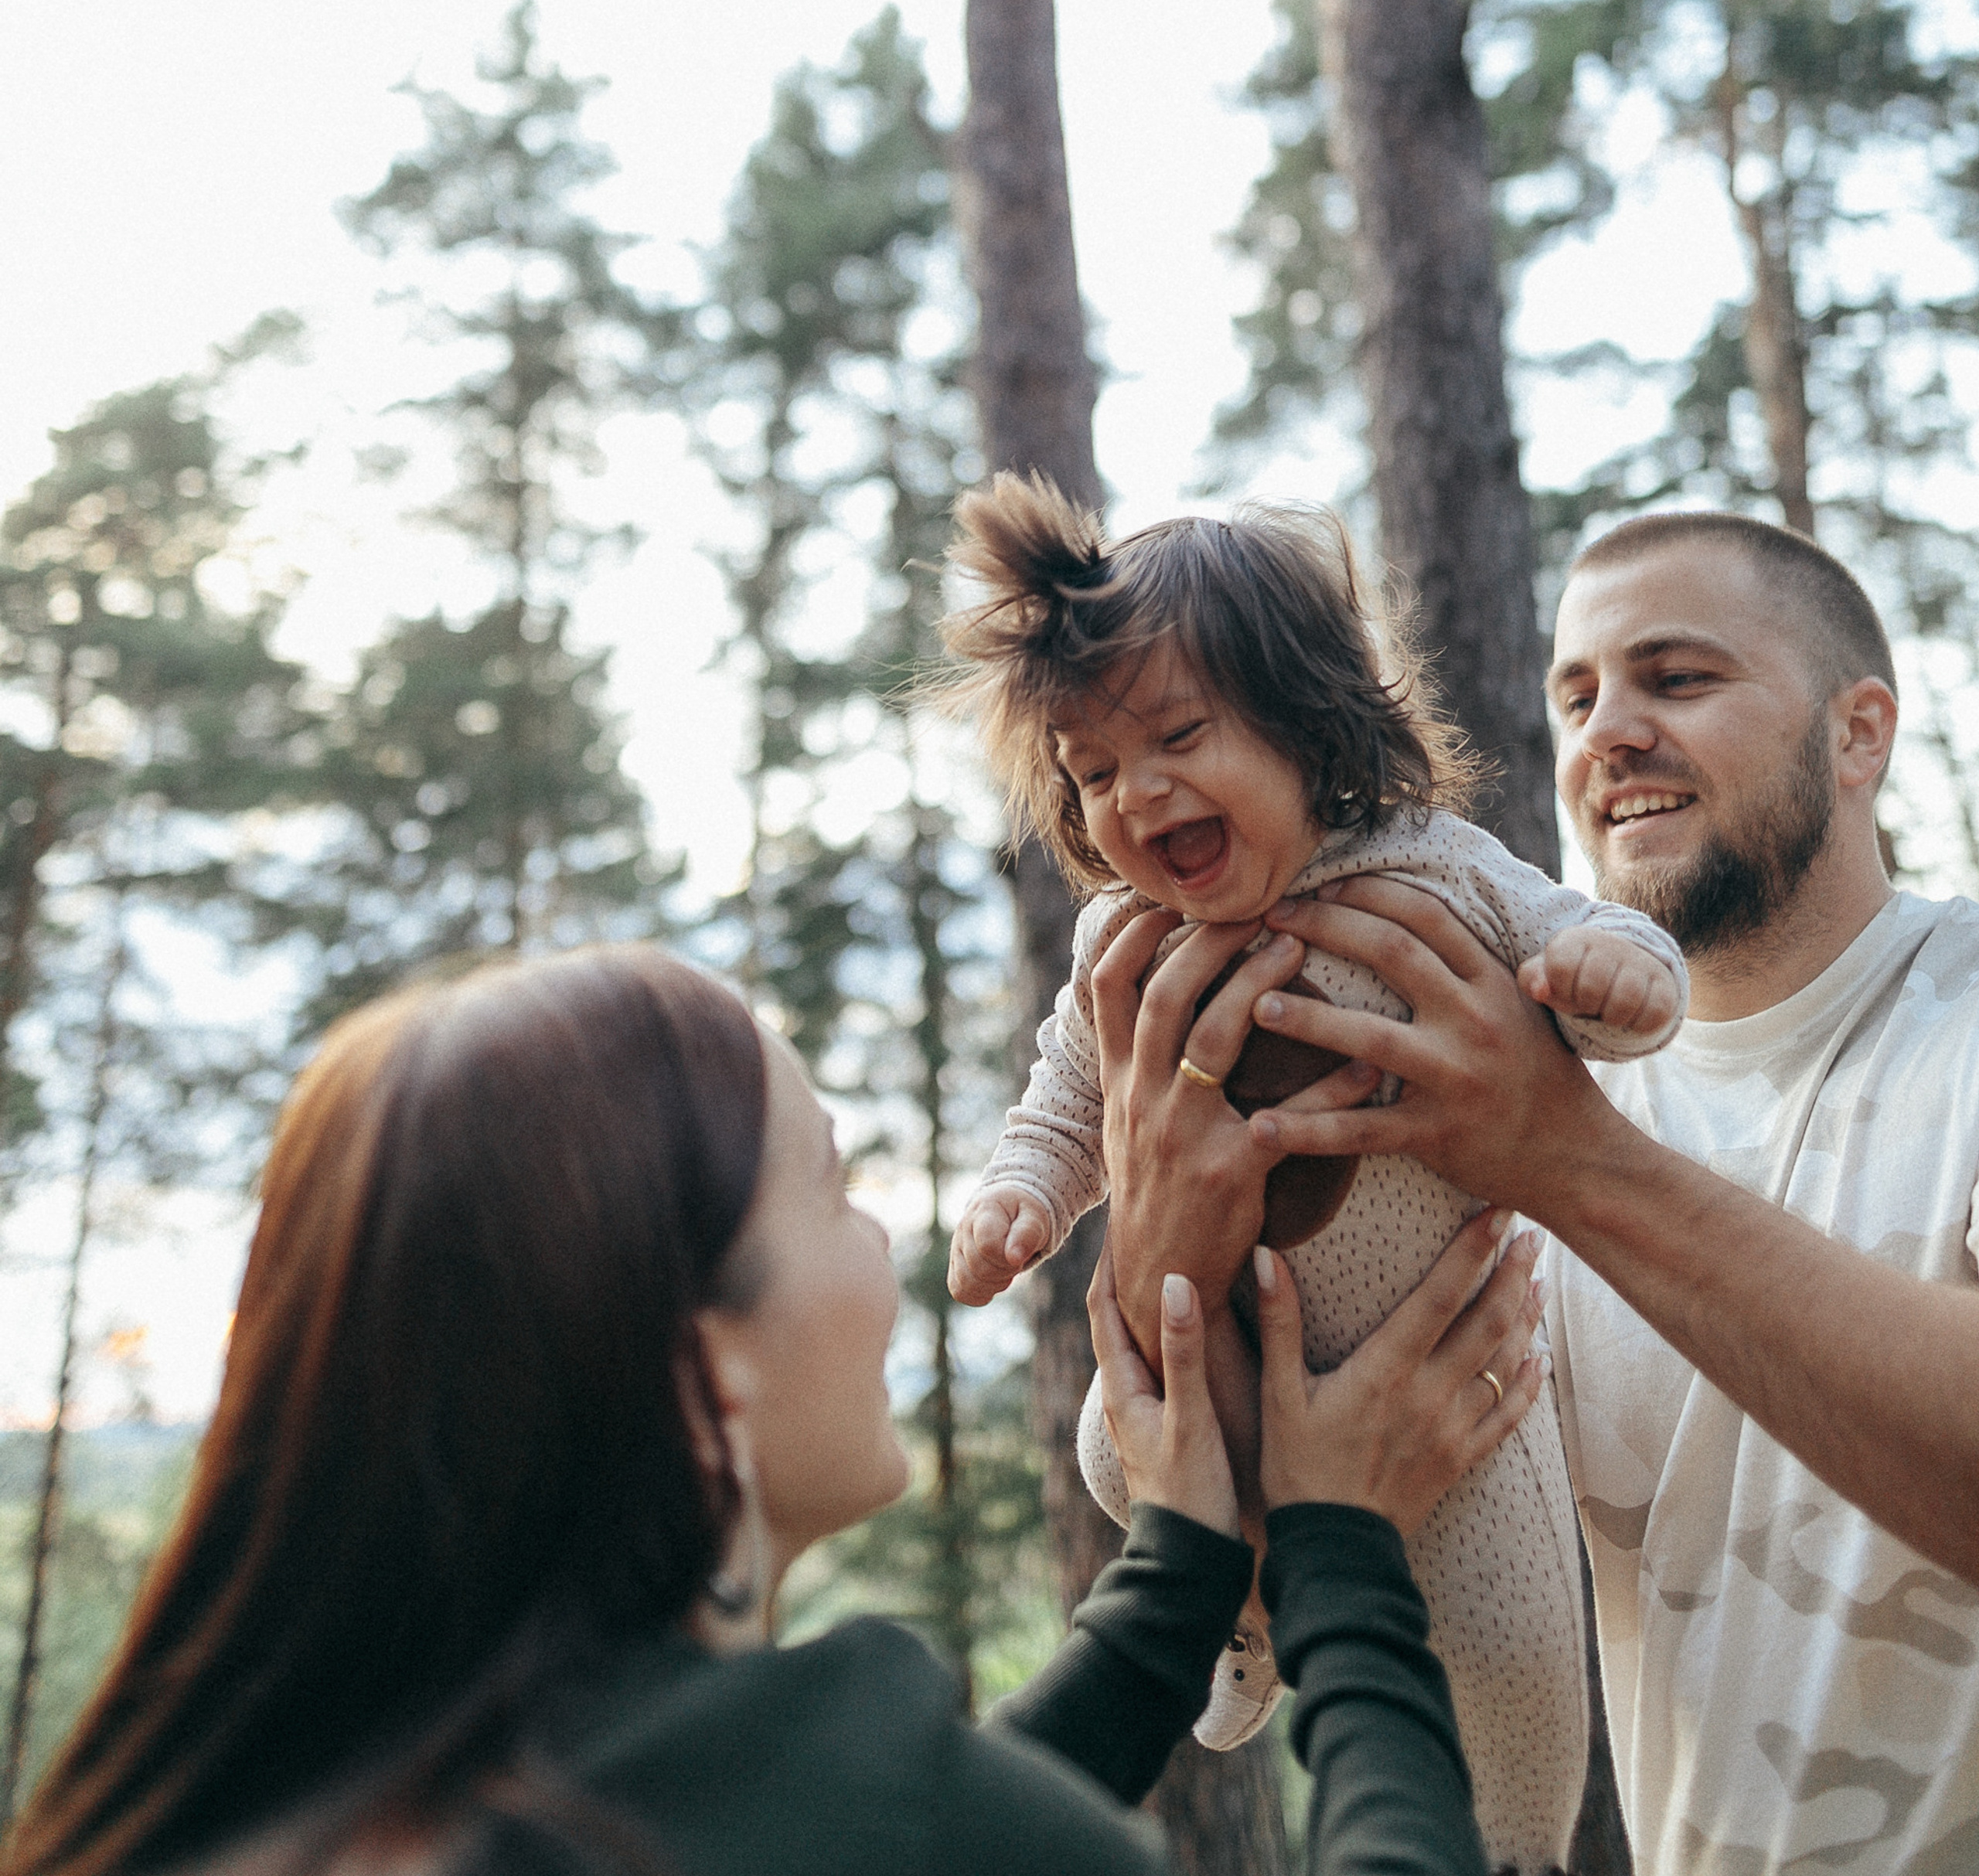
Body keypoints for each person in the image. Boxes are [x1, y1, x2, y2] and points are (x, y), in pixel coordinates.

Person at [0, 940, 1550, 1876]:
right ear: (698, 1369)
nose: (880, 1253)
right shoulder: (832, 1784)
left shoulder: (280, 1792)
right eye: (831, 1191)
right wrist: (1343, 1550)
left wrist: (1182, 1572)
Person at [1154, 509, 1979, 1875]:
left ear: (1860, 735)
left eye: (1680, 676)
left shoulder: (1538, 1129)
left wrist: (1571, 1162)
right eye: (1578, 695)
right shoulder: (1482, 1115)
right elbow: (1313, 1564)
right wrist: (1162, 1254)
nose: (1608, 733)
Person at [932, 474, 1686, 1870]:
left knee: (1517, 1636)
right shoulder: (1123, 945)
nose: (1134, 793)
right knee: (1114, 1445)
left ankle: (1514, 1847)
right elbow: (1066, 1103)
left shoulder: (1433, 869)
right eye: (1092, 773)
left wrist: (1612, 977)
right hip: (1214, 1382)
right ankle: (1241, 1626)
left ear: (1304, 723)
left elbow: (1575, 935)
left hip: (1445, 1376)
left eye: (1175, 736)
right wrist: (1022, 1199)